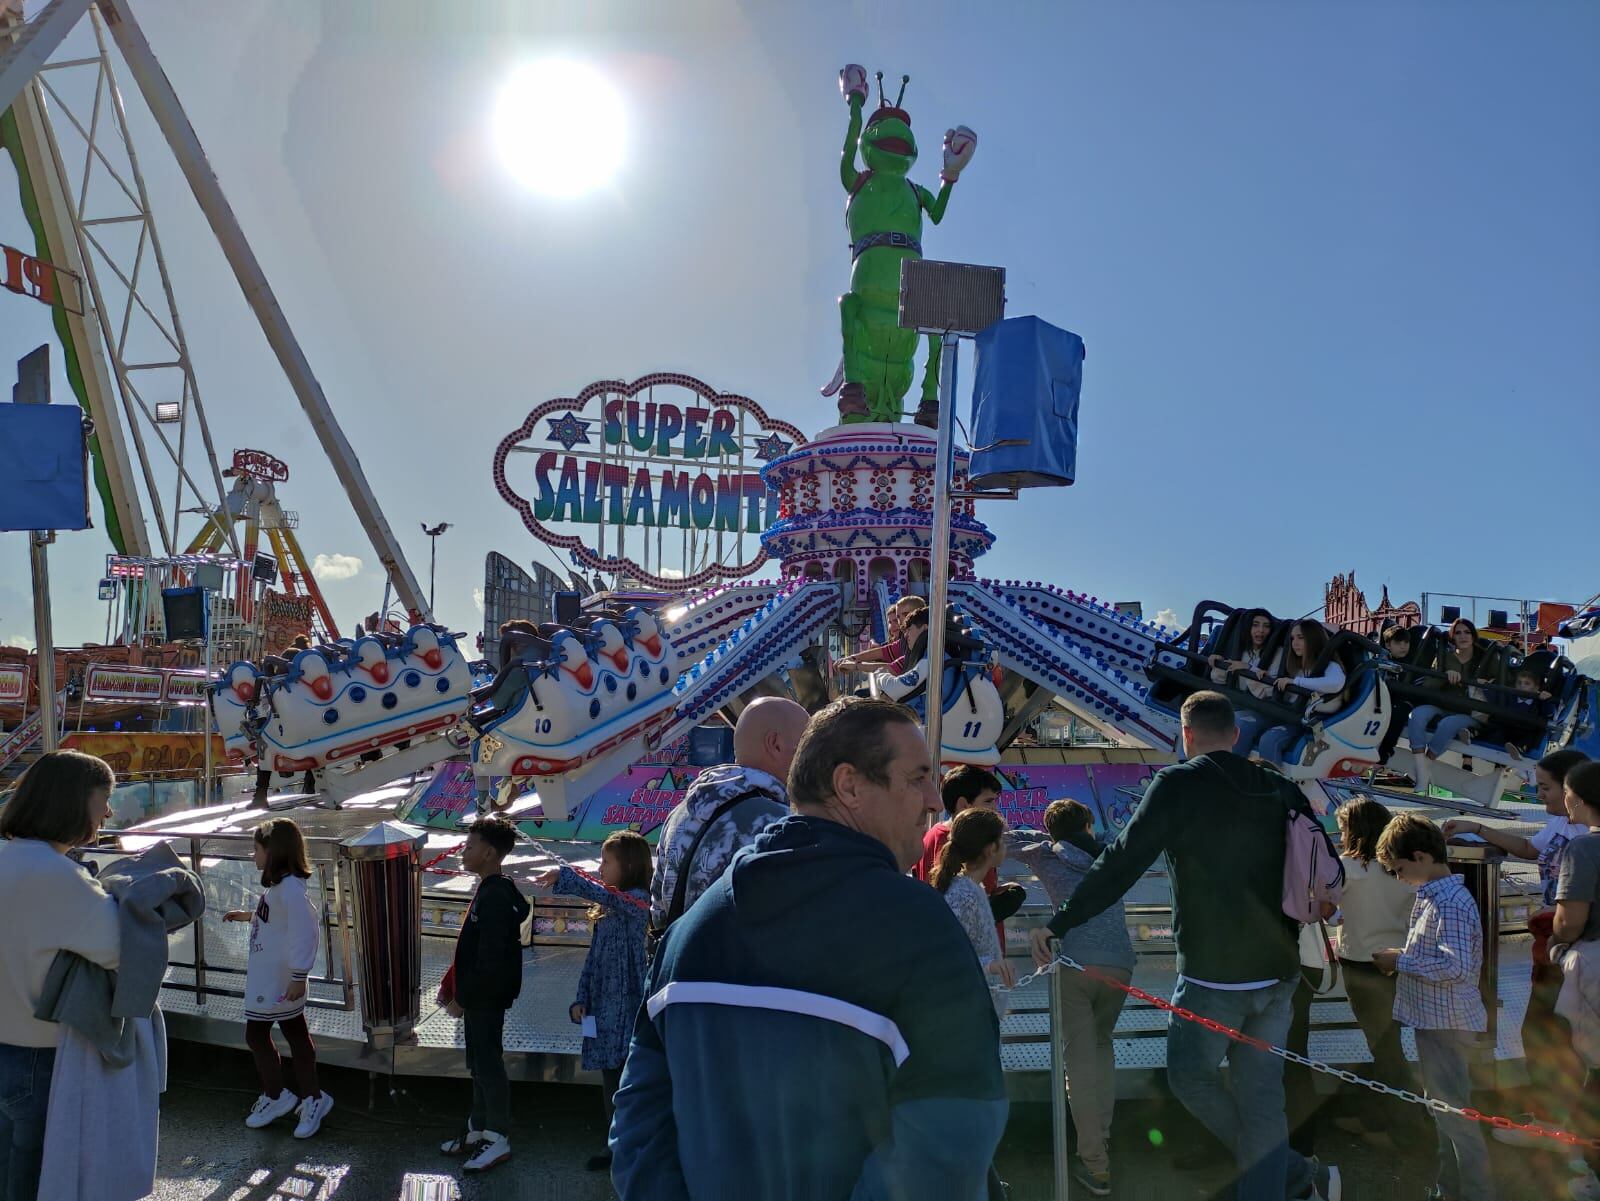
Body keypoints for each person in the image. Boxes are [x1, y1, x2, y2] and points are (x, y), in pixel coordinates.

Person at [610, 696, 1008, 1200]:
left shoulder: (690, 931)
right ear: (849, 786)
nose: (934, 799)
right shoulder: (920, 930)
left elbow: (639, 1124)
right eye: (916, 777)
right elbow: (955, 1133)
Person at [1030, 691, 1340, 1201]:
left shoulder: (1177, 784)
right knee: (1263, 1101)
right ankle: (1290, 1177)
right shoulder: (1277, 786)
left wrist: (1062, 921)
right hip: (1279, 969)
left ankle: (1291, 1173)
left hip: (1212, 975)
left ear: (1185, 734)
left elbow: (1122, 863)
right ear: (1237, 735)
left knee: (1190, 1077)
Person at [1443, 748, 1591, 1144]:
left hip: (1564, 945)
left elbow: (1574, 912)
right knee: (1547, 1031)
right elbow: (1531, 850)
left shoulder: (1584, 840)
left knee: (1551, 1033)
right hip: (1555, 944)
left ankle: (1556, 1128)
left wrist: (1557, 939)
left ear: (1573, 790)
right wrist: (1481, 828)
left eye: (1545, 787)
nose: (1537, 794)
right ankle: (1556, 1120)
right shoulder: (1563, 824)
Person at [0, 752, 121, 1201]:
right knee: (41, 1180)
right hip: (43, 1057)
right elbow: (122, 954)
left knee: (10, 1169)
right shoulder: (63, 877)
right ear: (72, 802)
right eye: (104, 799)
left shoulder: (7, 859)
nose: (109, 812)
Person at [1007, 799, 1133, 1197]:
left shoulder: (1047, 855)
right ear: (1089, 824)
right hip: (1120, 964)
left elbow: (1002, 840)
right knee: (1102, 1047)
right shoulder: (1111, 851)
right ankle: (1104, 1136)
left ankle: (1096, 1166)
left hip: (1076, 964)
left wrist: (1045, 837)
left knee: (1077, 1062)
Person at [1373, 814, 1493, 1201]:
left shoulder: (1450, 903)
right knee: (1446, 1112)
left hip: (1447, 1023)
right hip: (1439, 1020)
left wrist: (1400, 961)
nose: (1398, 877)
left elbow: (1455, 967)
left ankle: (1474, 1192)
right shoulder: (1437, 896)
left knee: (1455, 1116)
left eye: (1399, 869)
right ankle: (1452, 1188)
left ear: (1422, 857)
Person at [537, 832, 652, 1174]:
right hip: (604, 1006)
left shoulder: (637, 902)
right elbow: (593, 960)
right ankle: (614, 1143)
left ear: (628, 865)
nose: (601, 868)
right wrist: (581, 998)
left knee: (629, 1080)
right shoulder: (607, 910)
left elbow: (613, 898)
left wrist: (569, 878)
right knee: (610, 1079)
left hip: (629, 1009)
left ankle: (635, 1144)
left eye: (606, 861)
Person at [648, 696, 809, 935]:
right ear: (774, 743)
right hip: (739, 970)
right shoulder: (779, 823)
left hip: (678, 967)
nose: (811, 760)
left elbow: (659, 913)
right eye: (806, 747)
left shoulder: (682, 812)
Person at [1324, 798, 1425, 1146]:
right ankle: (1393, 1119)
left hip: (1362, 966)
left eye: (1343, 830)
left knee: (1385, 1051)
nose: (1340, 836)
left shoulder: (1346, 868)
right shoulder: (1402, 868)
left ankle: (1401, 1130)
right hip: (1402, 962)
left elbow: (1324, 908)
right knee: (1393, 1045)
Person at [224, 818, 332, 1139]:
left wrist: (299, 975)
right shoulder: (281, 889)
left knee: (260, 1035)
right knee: (291, 1033)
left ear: (274, 851)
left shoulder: (290, 891)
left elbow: (305, 931)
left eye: (256, 850)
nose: (253, 856)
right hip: (271, 977)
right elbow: (277, 923)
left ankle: (286, 1096)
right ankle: (302, 1096)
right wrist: (249, 916)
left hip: (280, 980)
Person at [436, 816, 531, 1173]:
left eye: (471, 846)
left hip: (486, 997)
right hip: (481, 996)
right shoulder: (489, 889)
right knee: (477, 1063)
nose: (464, 850)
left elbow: (489, 959)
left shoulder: (494, 895)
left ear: (490, 853)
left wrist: (465, 996)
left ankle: (498, 1136)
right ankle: (478, 1127)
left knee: (489, 1065)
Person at [1550, 761, 1600, 1201]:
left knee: (1593, 1068)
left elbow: (1570, 920)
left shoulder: (1584, 850)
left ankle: (1586, 1168)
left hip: (1596, 962)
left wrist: (1555, 941)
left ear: (1580, 798)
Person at [914, 766, 1027, 932]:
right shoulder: (954, 840)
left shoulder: (938, 835)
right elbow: (957, 914)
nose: (995, 808)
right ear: (963, 804)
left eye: (995, 800)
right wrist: (1004, 904)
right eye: (988, 801)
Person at [930, 807, 1015, 1010]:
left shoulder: (971, 888)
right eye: (1001, 841)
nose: (1005, 847)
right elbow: (947, 955)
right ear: (990, 849)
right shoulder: (962, 895)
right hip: (965, 1009)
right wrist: (991, 965)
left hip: (975, 1005)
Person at [1406, 618, 1496, 790]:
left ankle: (1424, 767)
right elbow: (1428, 685)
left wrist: (1483, 683)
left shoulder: (1486, 658)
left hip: (1471, 712)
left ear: (1474, 635)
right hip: (1444, 705)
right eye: (1458, 632)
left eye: (1467, 632)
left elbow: (1499, 684)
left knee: (1449, 724)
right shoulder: (1445, 657)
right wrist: (1443, 675)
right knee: (1416, 715)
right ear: (1452, 637)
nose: (1463, 636)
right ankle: (1421, 769)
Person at [1254, 621, 1346, 766]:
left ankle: (1274, 786)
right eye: (1292, 639)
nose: (1295, 643)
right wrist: (1261, 674)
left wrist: (1297, 683)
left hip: (1316, 722)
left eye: (1301, 638)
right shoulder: (1295, 668)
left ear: (1313, 639)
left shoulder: (1329, 666)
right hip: (1292, 715)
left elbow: (1336, 683)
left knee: (1270, 739)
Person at [1211, 609, 1277, 754]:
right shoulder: (1240, 650)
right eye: (1255, 625)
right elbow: (1218, 678)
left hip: (1266, 709)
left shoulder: (1277, 653)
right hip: (1241, 703)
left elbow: (1268, 690)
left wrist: (1249, 669)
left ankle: (1232, 771)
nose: (1261, 630)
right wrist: (1219, 663)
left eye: (1266, 626)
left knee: (1241, 724)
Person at [834, 596, 927, 675]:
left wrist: (856, 666)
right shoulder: (906, 640)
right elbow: (883, 651)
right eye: (898, 617)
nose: (901, 620)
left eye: (906, 614)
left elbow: (892, 669)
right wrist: (852, 658)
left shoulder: (922, 642)